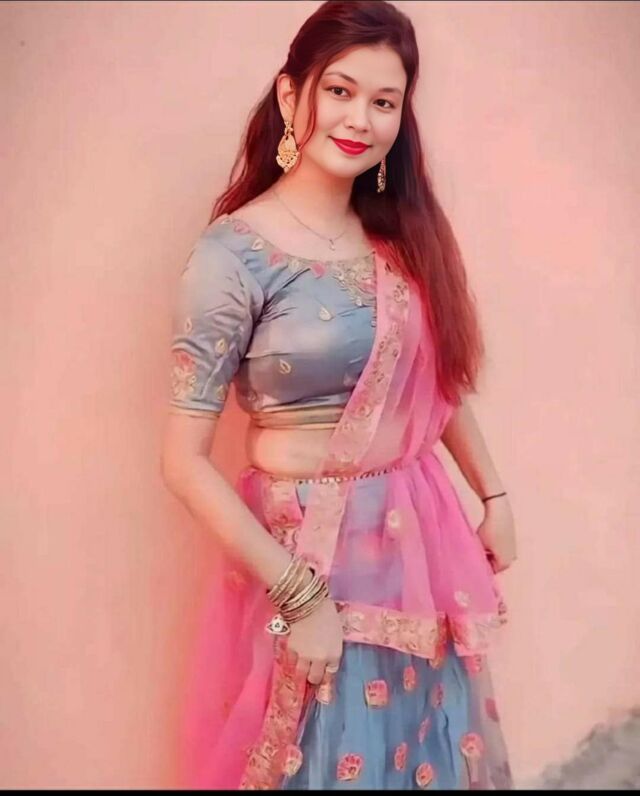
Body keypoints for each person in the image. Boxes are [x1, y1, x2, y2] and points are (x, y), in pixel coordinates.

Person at [161, 0, 517, 789]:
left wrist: (492, 494)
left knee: (415, 758)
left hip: (415, 553)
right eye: (340, 91)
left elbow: (434, 384)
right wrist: (301, 598)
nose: (361, 119)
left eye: (384, 101)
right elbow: (182, 463)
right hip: (304, 555)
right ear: (292, 95)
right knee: (322, 757)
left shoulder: (400, 239)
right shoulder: (232, 256)